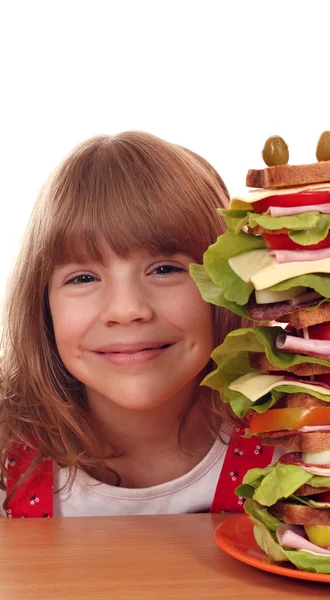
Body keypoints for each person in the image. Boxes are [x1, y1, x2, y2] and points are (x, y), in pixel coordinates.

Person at [0, 131, 275, 518]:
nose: (127, 310)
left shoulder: (297, 444)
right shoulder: (5, 459)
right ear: (42, 303)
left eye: (165, 269)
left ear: (227, 287)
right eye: (83, 278)